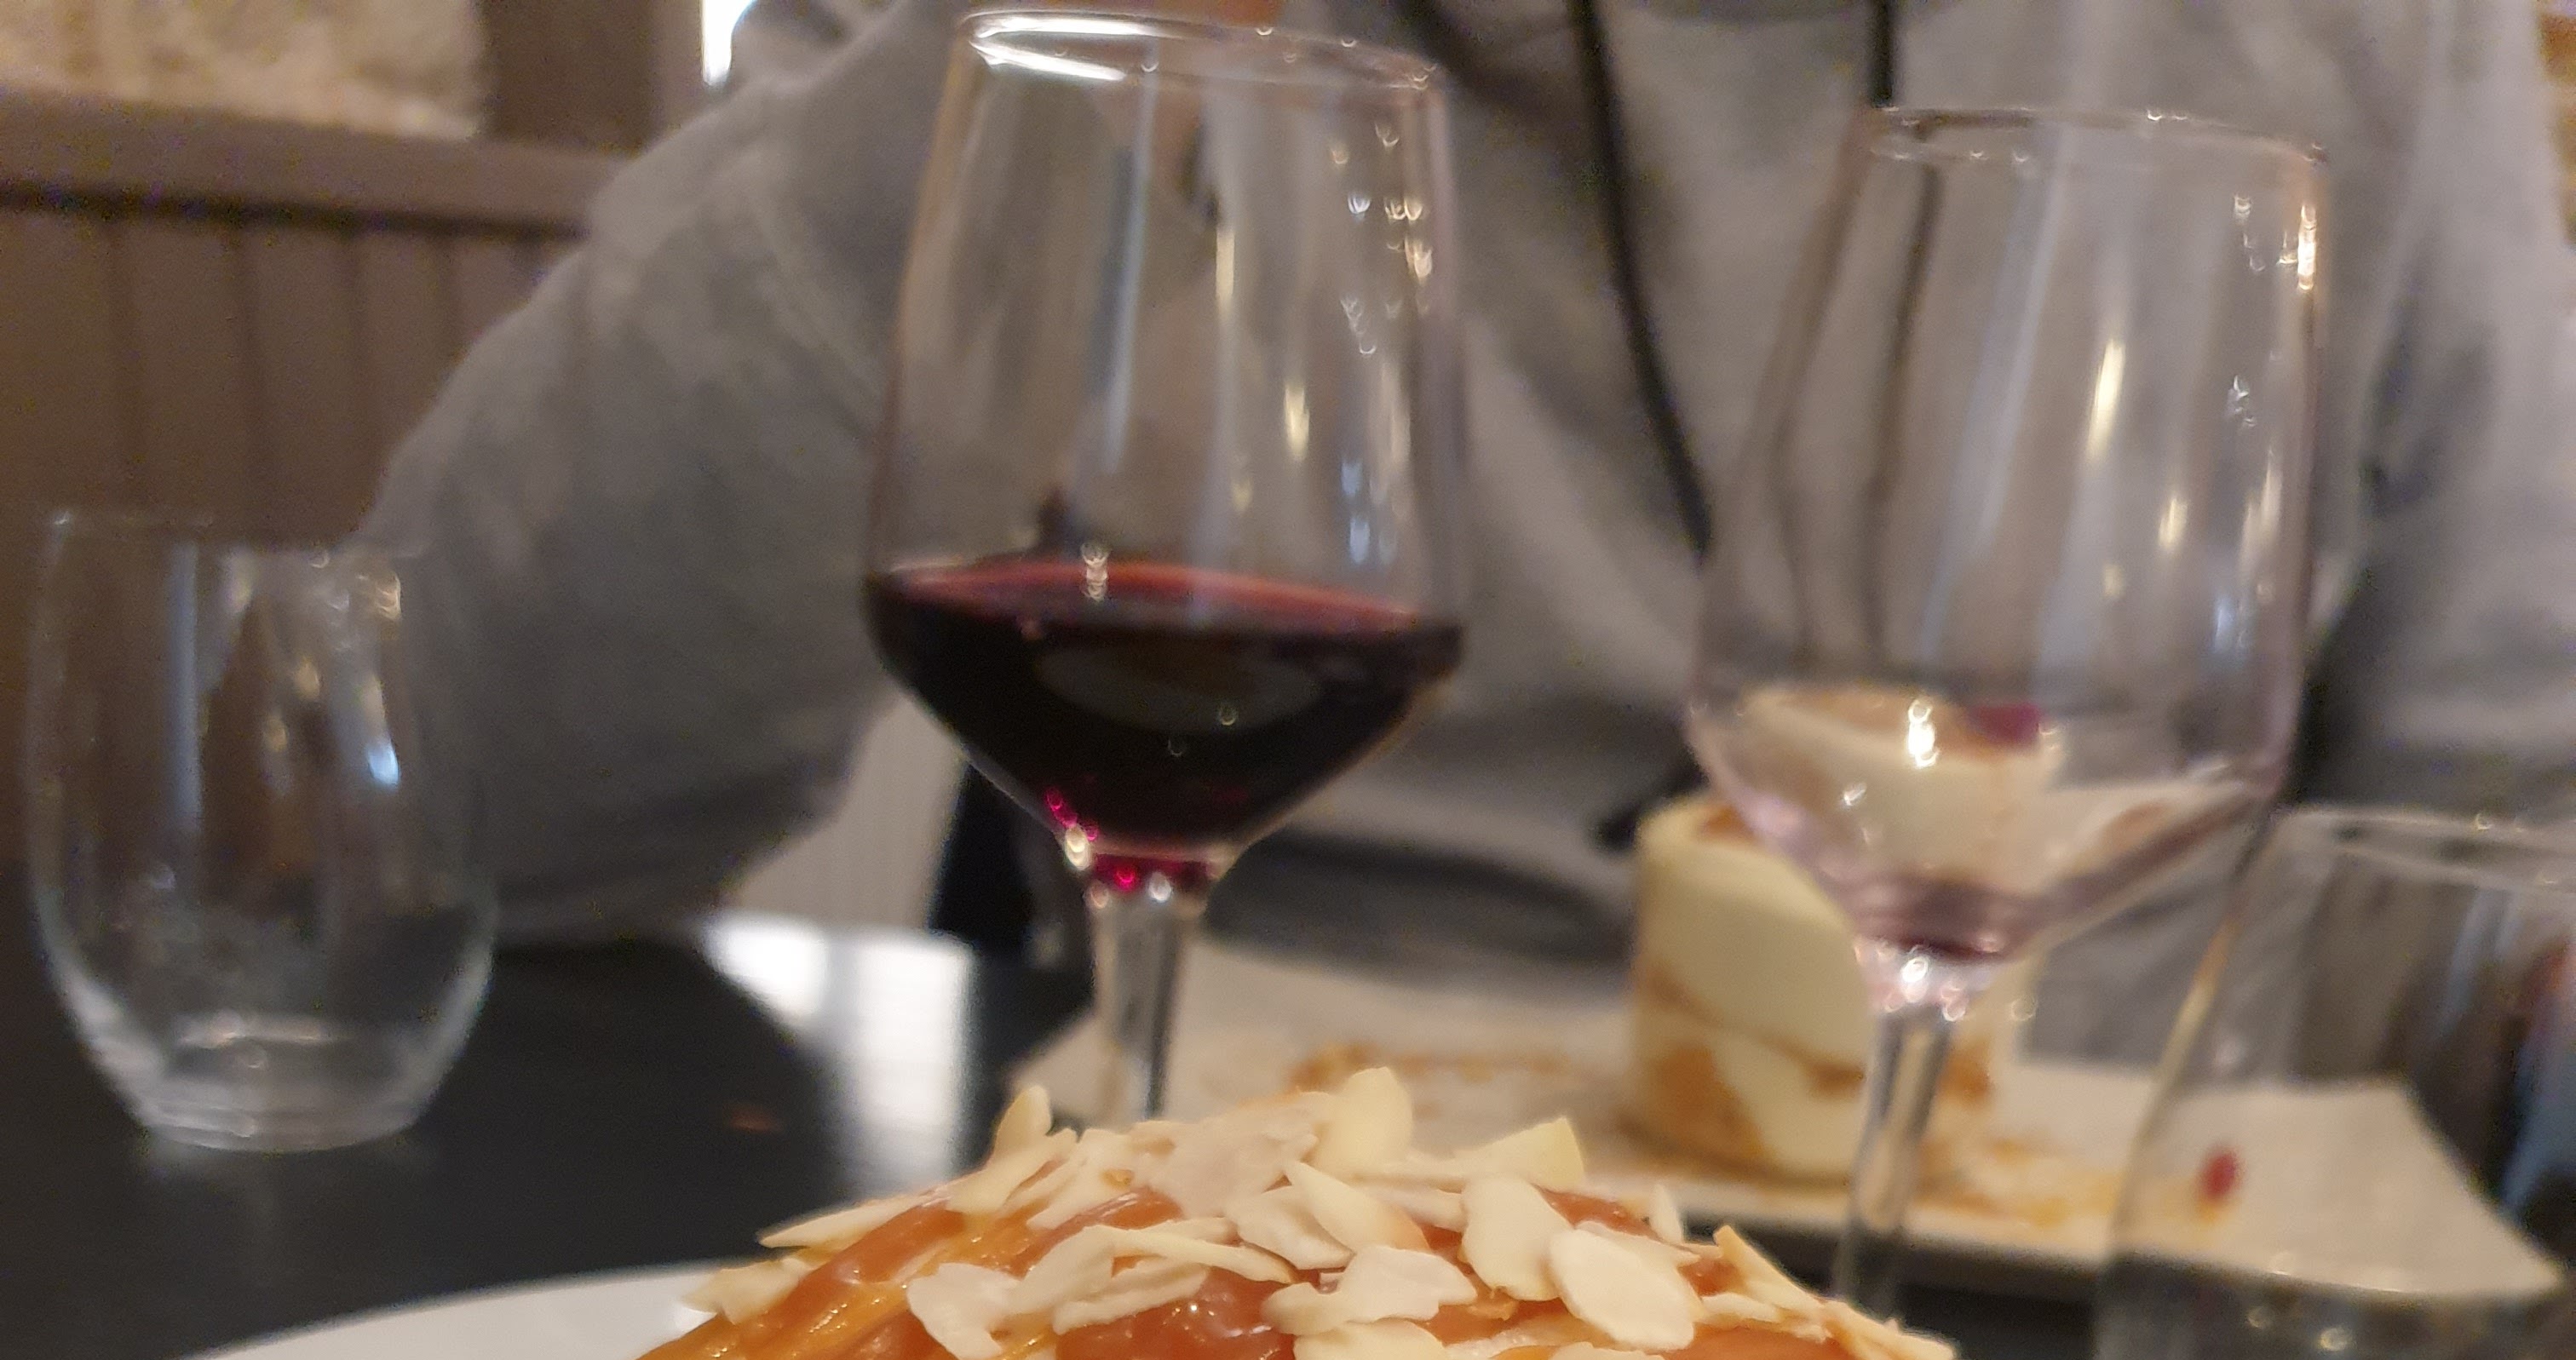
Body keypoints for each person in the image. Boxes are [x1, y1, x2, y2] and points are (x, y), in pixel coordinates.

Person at [370, 0, 2576, 977]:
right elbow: (456, 818)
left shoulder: (2375, 33)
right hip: (1248, 1223)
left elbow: (2502, 843)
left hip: (2070, 1266)